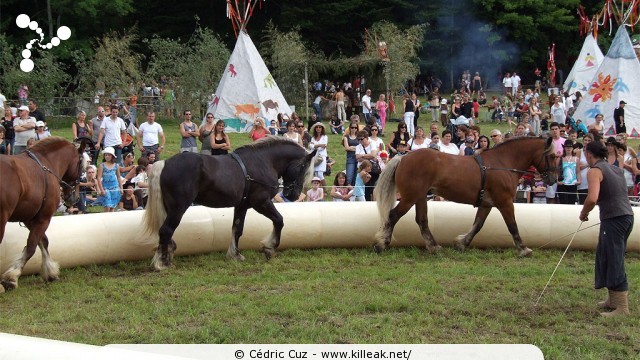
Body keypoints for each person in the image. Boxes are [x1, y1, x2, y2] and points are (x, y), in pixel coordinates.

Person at [579, 141, 634, 317]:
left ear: (589, 154)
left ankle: (622, 308)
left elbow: (592, 198)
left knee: (613, 257)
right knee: (607, 255)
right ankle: (613, 300)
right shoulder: (614, 168)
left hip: (614, 219)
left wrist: (583, 213)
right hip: (626, 217)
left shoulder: (595, 171)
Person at [96, 147, 123, 213]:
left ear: (112, 156)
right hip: (106, 187)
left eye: (109, 155)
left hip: (115, 187)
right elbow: (99, 178)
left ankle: (111, 220)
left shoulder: (116, 165)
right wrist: (101, 189)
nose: (107, 156)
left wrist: (121, 188)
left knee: (112, 207)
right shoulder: (102, 165)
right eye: (106, 155)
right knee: (107, 205)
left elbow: (119, 177)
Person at [557, 140, 580, 204]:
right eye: (567, 147)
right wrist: (557, 181)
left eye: (570, 147)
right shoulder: (560, 158)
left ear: (572, 148)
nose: (568, 148)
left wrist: (579, 180)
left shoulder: (576, 159)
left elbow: (578, 171)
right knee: (563, 203)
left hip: (573, 184)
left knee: (571, 203)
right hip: (563, 184)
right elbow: (556, 171)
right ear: (564, 148)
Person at [309, 122, 329, 186]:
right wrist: (319, 145)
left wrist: (315, 146)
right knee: (316, 174)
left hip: (321, 157)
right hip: (314, 156)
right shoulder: (313, 137)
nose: (318, 128)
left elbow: (324, 146)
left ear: (322, 129)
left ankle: (324, 189)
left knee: (320, 174)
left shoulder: (325, 137)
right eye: (317, 127)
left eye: (320, 127)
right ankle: (318, 188)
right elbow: (311, 147)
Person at [343, 121, 360, 186]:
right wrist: (356, 148)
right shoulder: (346, 137)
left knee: (356, 177)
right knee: (349, 176)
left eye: (355, 128)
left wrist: (352, 147)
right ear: (350, 128)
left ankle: (353, 192)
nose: (354, 129)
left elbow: (360, 147)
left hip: (358, 158)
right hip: (350, 158)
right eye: (352, 127)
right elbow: (347, 148)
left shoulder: (359, 137)